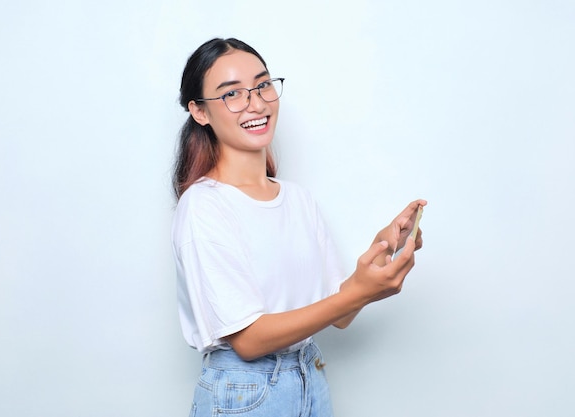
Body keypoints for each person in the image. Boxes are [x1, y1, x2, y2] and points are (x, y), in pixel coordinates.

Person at [171, 37, 426, 417]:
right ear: (200, 112)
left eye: (263, 85)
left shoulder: (298, 199)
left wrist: (382, 251)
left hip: (310, 378)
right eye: (232, 94)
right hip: (246, 394)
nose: (256, 103)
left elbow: (340, 314)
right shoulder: (204, 205)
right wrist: (356, 294)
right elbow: (249, 340)